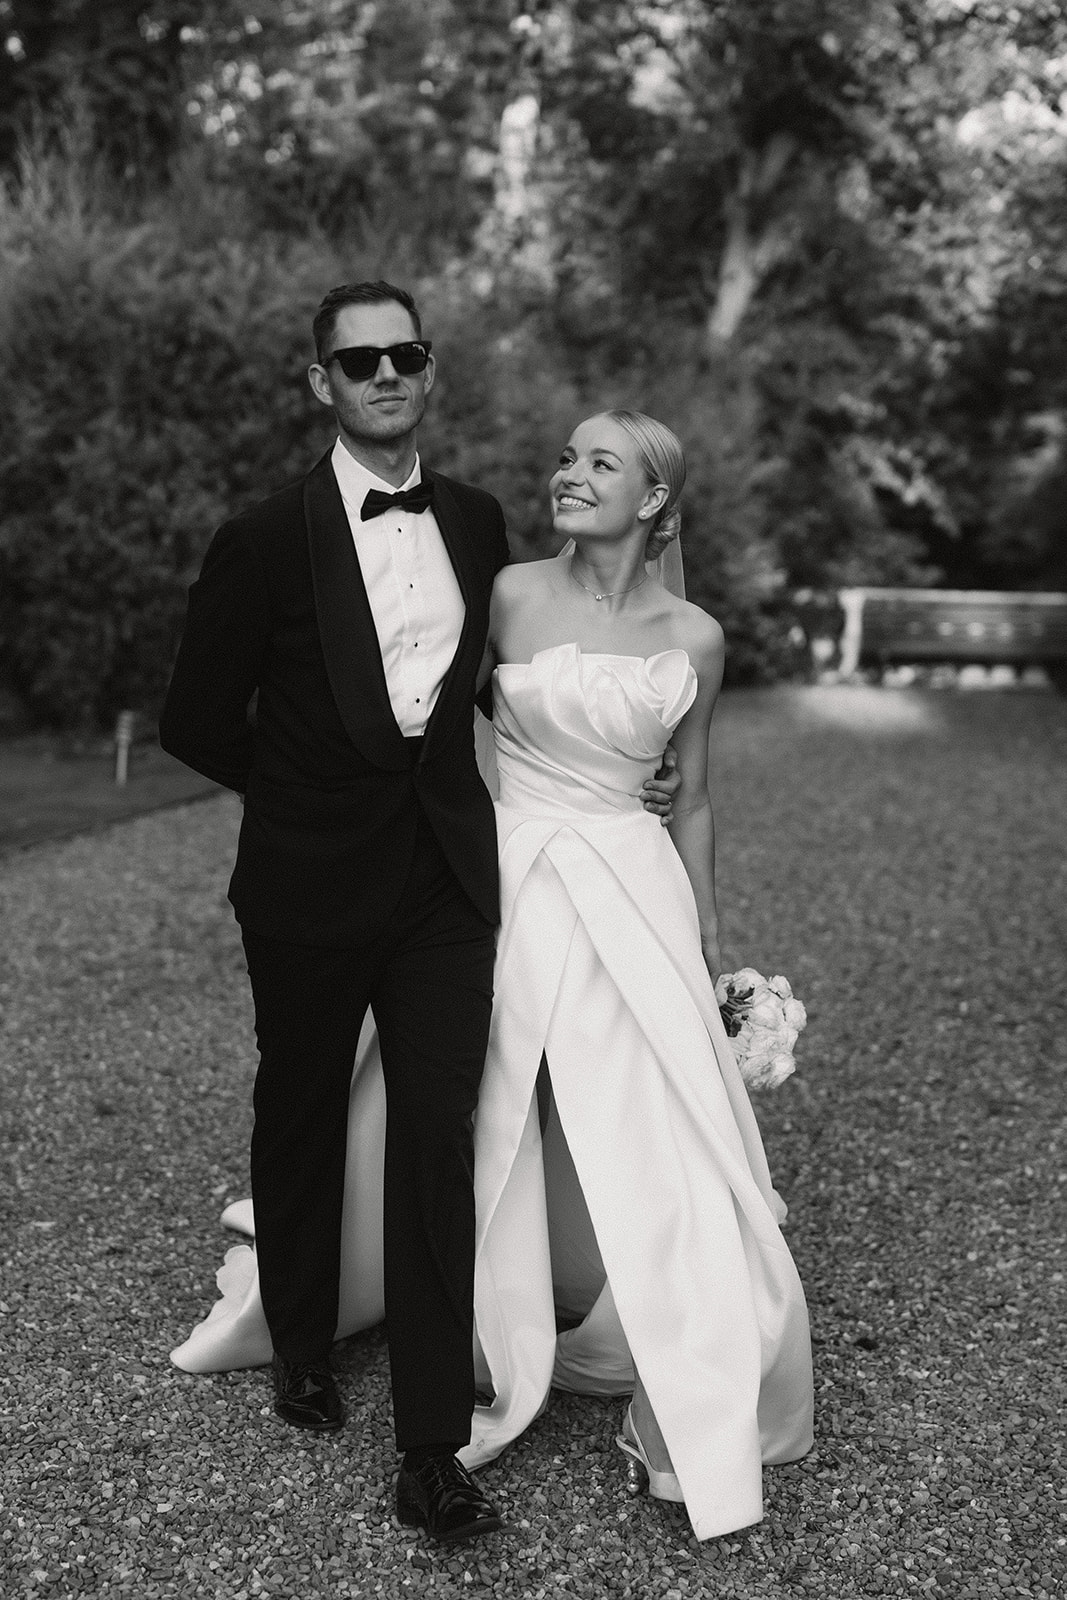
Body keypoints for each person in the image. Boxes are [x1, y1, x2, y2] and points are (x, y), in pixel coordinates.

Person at [160, 283, 678, 1548]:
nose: (384, 374)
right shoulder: (261, 538)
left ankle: (432, 1448)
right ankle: (299, 1341)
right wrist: (306, 798)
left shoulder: (476, 520)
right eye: (359, 361)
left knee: (439, 1136)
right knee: (300, 1106)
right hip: (305, 880)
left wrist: (624, 758)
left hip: (447, 879)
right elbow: (193, 720)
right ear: (322, 383)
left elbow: (500, 684)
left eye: (405, 355)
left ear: (428, 371)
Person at [459, 410, 814, 1542]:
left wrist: (701, 928)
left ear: (653, 500)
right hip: (514, 866)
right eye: (565, 457)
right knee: (502, 1094)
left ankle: (679, 1356)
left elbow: (692, 793)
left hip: (631, 876)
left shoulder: (694, 636)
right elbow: (443, 730)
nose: (567, 474)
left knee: (661, 1116)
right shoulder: (508, 593)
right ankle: (487, 1316)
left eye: (598, 463)